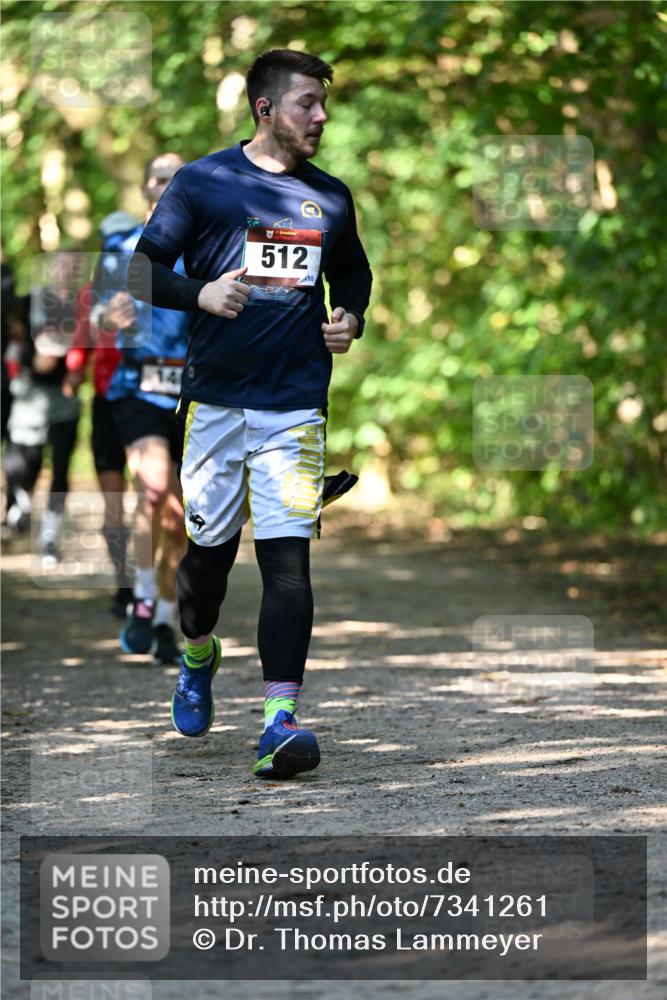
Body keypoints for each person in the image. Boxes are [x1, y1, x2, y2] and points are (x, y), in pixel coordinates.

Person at [131, 49, 372, 777]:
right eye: (307, 104)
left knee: (287, 562)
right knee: (206, 564)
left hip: (295, 405)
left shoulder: (329, 197)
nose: (321, 116)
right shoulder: (203, 182)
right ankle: (197, 655)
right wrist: (200, 293)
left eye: (323, 104)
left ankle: (279, 720)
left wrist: (349, 318)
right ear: (265, 109)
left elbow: (352, 271)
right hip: (215, 403)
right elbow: (142, 269)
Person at [95, 155, 190, 664]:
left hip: (194, 394)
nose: (167, 186)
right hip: (137, 389)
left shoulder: (207, 244)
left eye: (178, 178)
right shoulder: (122, 246)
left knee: (179, 519)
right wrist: (104, 314)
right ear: (145, 187)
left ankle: (165, 618)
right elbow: (91, 313)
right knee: (153, 488)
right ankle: (143, 597)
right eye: (159, 178)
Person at [65, 211, 140, 617]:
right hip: (122, 400)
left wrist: (75, 373)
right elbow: (82, 342)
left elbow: (80, 345)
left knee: (141, 497)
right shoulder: (99, 293)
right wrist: (75, 373)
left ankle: (132, 586)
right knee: (139, 498)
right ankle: (131, 585)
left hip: (125, 400)